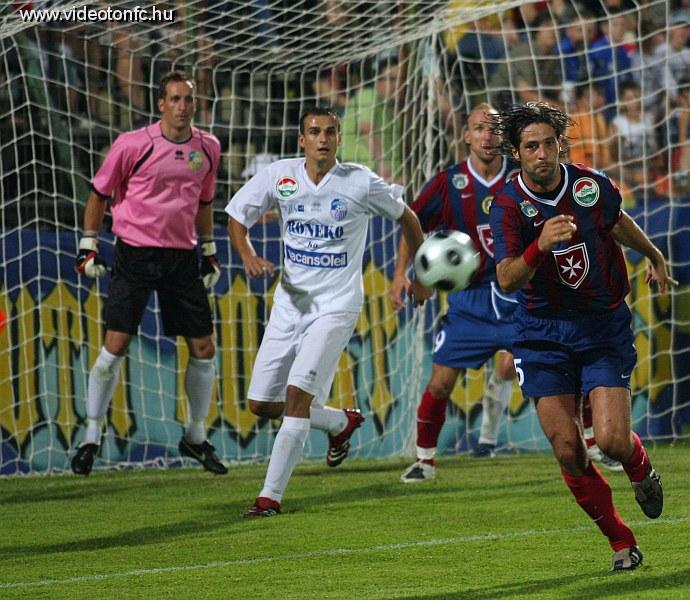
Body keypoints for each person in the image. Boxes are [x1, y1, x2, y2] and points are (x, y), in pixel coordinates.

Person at [489, 102, 677, 571]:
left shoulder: (590, 186)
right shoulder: (508, 205)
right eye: (531, 147)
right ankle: (621, 542)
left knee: (611, 441)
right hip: (541, 335)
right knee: (569, 452)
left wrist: (654, 255)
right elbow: (507, 278)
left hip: (600, 326)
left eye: (548, 144)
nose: (541, 154)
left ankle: (640, 468)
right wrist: (539, 245)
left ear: (560, 144)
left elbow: (617, 221)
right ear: (517, 153)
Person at [227, 106, 425, 517]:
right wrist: (247, 254)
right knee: (261, 404)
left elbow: (409, 219)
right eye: (315, 132)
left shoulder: (359, 182)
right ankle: (338, 423)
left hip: (335, 307)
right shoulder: (280, 175)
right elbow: (236, 216)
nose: (323, 138)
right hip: (289, 305)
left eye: (330, 132)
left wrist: (414, 275)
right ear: (302, 140)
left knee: (297, 396)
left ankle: (269, 498)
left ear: (338, 138)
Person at [70, 71, 226, 476]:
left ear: (195, 104)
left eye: (188, 99)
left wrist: (208, 249)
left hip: (181, 258)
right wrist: (88, 245)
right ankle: (91, 435)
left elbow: (204, 201)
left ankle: (195, 436)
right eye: (174, 99)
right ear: (161, 104)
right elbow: (99, 194)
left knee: (204, 347)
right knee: (116, 345)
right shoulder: (132, 144)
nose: (181, 107)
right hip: (135, 254)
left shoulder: (208, 147)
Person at [390, 103, 518, 483]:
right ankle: (425, 461)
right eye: (479, 128)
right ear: (466, 136)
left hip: (520, 295)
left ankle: (591, 444)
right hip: (469, 300)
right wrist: (404, 274)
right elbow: (412, 221)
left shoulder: (521, 177)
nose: (487, 136)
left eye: (494, 129)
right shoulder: (449, 183)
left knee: (561, 366)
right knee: (441, 380)